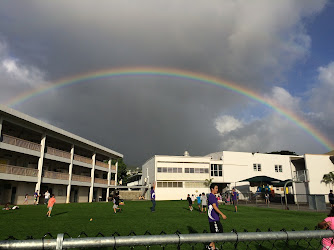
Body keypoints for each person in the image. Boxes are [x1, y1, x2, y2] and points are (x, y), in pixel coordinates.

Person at [207, 184, 227, 250]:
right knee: (219, 232)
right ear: (212, 189)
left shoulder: (213, 196)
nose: (217, 190)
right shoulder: (211, 196)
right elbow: (214, 207)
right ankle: (210, 246)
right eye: (216, 188)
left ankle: (213, 248)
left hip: (215, 218)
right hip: (213, 219)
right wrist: (222, 214)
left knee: (214, 233)